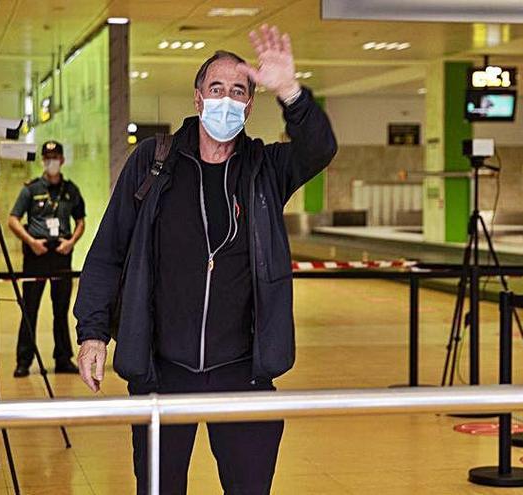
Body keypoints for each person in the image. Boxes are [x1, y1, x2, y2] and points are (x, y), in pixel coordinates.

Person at [73, 24, 337, 495]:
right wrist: (93, 332)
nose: (227, 99)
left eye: (239, 91)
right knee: (160, 487)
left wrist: (291, 92)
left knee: (248, 486)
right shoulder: (153, 163)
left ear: (249, 106)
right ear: (198, 99)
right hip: (162, 369)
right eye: (217, 88)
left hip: (243, 370)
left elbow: (320, 149)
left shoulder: (265, 170)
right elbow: (108, 251)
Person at [8, 140, 86, 377]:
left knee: (61, 309)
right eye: (47, 157)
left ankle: (63, 358)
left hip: (61, 253)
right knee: (29, 308)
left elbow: (80, 221)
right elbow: (13, 219)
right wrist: (30, 242)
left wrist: (71, 242)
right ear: (43, 160)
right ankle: (23, 361)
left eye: (55, 157)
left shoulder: (71, 190)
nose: (51, 161)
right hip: (36, 254)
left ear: (62, 160)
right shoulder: (31, 189)